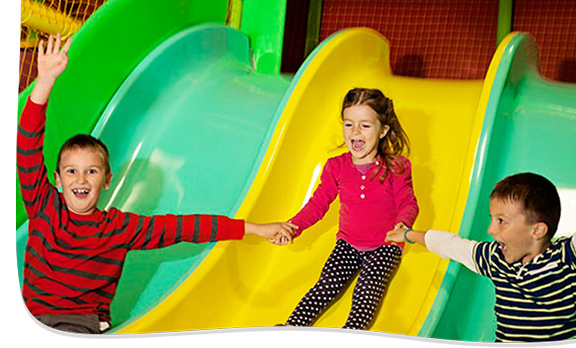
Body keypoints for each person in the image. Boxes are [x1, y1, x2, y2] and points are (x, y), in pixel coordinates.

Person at [17, 34, 297, 334]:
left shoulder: (118, 228)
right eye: (71, 172)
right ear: (57, 180)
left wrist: (254, 228)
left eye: (92, 172)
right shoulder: (44, 206)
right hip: (30, 320)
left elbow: (189, 228)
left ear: (108, 180)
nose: (81, 179)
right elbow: (28, 146)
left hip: (79, 325)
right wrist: (44, 83)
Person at [386, 109, 576, 342]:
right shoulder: (495, 258)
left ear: (538, 230)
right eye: (492, 219)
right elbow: (451, 245)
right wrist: (409, 234)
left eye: (501, 221)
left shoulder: (568, 258)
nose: (490, 229)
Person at [272, 87, 419, 330]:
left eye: (365, 125)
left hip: (385, 245)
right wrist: (293, 226)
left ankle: (350, 337)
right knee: (325, 286)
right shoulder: (336, 166)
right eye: (349, 124)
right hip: (348, 243)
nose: (355, 132)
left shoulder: (397, 166)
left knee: (365, 292)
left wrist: (403, 223)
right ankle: (292, 329)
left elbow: (408, 201)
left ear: (383, 130)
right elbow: (318, 203)